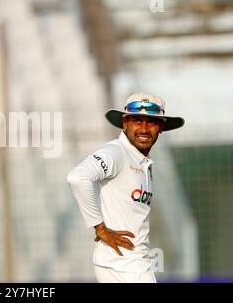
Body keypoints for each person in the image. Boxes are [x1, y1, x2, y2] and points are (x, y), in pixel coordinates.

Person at [67, 93, 185, 283]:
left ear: (161, 127)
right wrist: (100, 228)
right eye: (137, 120)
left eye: (152, 122)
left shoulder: (139, 160)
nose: (144, 129)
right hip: (126, 268)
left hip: (126, 265)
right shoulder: (117, 152)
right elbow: (77, 177)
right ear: (125, 123)